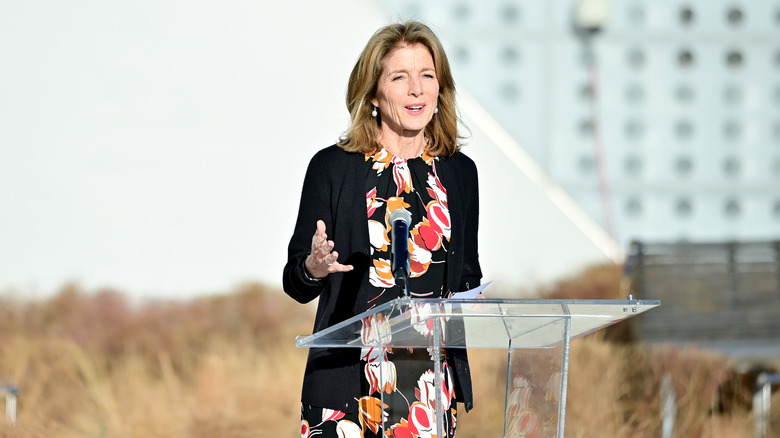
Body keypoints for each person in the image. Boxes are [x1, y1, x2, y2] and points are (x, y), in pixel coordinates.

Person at [283, 21, 481, 438]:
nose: (417, 89)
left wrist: (477, 301)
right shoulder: (333, 168)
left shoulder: (459, 173)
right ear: (374, 92)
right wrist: (316, 267)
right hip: (344, 390)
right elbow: (296, 281)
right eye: (399, 77)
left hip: (427, 390)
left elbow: (466, 275)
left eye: (427, 76)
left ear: (440, 88)